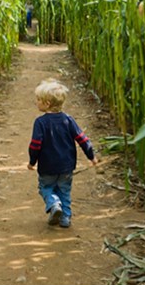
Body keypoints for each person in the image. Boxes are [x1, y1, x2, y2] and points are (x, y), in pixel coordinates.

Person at [27, 79, 98, 228]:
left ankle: (54, 204)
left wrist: (32, 161)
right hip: (66, 166)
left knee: (45, 188)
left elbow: (36, 145)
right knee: (64, 191)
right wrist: (91, 155)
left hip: (47, 166)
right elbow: (82, 139)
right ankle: (65, 218)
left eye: (39, 100)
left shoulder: (40, 122)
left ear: (47, 104)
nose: (36, 102)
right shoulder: (68, 120)